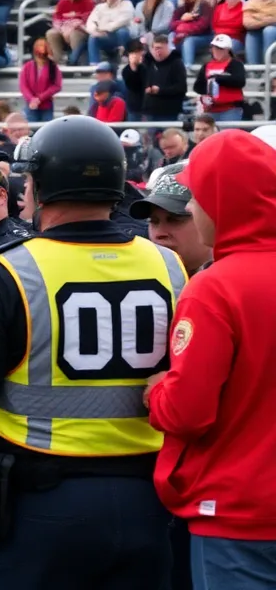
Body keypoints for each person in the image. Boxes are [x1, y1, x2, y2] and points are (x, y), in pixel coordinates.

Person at [0, 116, 187, 590]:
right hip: (150, 497)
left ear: (41, 186)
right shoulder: (169, 265)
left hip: (42, 503)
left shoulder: (10, 271)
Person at [147, 131, 276, 589]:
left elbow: (188, 412)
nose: (194, 211)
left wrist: (157, 389)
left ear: (223, 203)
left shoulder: (215, 287)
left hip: (236, 515)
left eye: (198, 199)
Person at [128, 162, 210, 275]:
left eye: (174, 219)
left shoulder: (234, 284)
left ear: (210, 218)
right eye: (153, 221)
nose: (159, 233)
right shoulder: (138, 280)